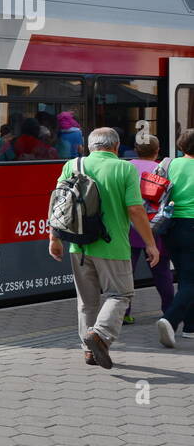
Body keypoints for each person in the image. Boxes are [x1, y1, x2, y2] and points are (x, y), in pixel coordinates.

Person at [49, 127, 159, 369]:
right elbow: (135, 209)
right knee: (120, 294)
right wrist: (150, 243)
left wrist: (54, 238)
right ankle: (99, 334)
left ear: (90, 146)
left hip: (78, 245)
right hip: (113, 246)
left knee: (87, 301)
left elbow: (57, 202)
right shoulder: (124, 168)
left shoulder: (73, 165)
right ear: (116, 147)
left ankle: (89, 351)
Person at [123, 134, 174, 326]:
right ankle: (169, 312)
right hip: (155, 227)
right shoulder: (161, 169)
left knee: (126, 272)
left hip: (128, 226)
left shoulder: (125, 167)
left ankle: (124, 312)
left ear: (135, 150)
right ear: (157, 150)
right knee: (162, 272)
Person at [154, 129, 194, 349]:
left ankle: (190, 327)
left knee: (186, 276)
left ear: (181, 145)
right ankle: (170, 320)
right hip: (192, 225)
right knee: (190, 280)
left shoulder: (171, 164)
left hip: (170, 227)